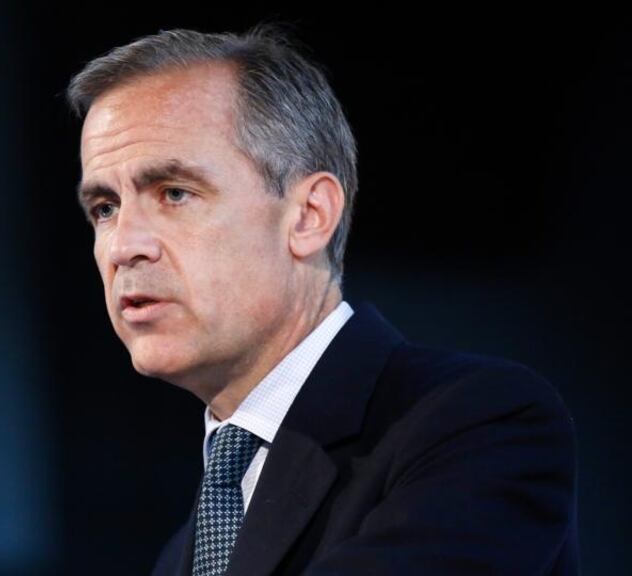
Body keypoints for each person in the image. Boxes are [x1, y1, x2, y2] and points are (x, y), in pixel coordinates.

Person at [66, 25, 578, 575]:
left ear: (309, 216)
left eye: (174, 193)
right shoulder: (179, 556)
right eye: (104, 208)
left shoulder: (474, 424)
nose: (123, 246)